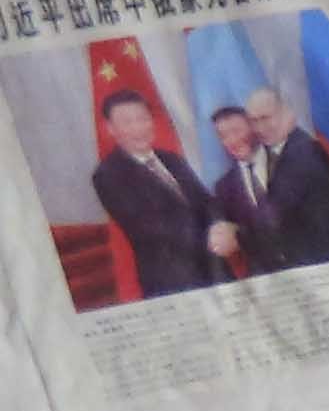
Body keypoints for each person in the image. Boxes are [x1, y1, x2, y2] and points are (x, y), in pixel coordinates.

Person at [83, 85, 224, 299]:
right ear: (110, 129)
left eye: (142, 118)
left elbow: (207, 202)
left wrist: (221, 225)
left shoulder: (172, 159)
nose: (139, 128)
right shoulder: (108, 175)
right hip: (174, 281)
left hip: (216, 270)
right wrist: (214, 236)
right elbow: (152, 228)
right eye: (128, 122)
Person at [225, 86, 329, 272]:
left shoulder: (304, 152)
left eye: (266, 118)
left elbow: (278, 217)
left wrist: (235, 235)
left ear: (286, 113)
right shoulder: (275, 153)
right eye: (253, 121)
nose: (259, 128)